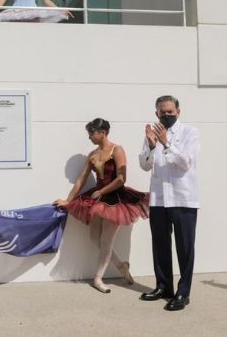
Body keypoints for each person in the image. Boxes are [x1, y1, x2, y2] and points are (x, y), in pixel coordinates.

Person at [55, 118, 148, 293]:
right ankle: (121, 266)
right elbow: (81, 180)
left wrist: (103, 191)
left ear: (102, 133)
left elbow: (122, 178)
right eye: (89, 133)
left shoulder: (117, 149)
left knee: (106, 240)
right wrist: (68, 200)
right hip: (98, 198)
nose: (89, 136)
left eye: (92, 133)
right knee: (94, 238)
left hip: (116, 200)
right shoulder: (93, 155)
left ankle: (98, 278)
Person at [138, 95, 200, 311]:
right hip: (158, 199)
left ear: (178, 112)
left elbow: (185, 163)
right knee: (160, 246)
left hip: (183, 198)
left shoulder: (189, 132)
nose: (166, 115)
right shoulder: (152, 134)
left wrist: (166, 143)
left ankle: (183, 293)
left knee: (185, 248)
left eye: (170, 112)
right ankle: (164, 287)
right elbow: (144, 165)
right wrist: (151, 144)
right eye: (162, 112)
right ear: (156, 113)